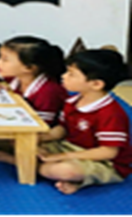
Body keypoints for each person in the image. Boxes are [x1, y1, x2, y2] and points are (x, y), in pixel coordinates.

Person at [37, 49, 131, 194]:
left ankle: (31, 166)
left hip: (104, 162)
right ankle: (36, 165)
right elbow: (63, 129)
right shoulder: (72, 101)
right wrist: (41, 138)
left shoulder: (111, 113)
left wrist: (62, 156)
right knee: (26, 145)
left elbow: (108, 152)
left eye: (71, 74)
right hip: (69, 147)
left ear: (96, 84)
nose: (63, 76)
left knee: (63, 170)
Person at [0, 36, 67, 164]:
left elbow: (42, 127)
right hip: (18, 125)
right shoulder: (16, 76)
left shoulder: (48, 91)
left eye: (5, 60)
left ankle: (15, 160)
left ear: (29, 68)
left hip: (44, 135)